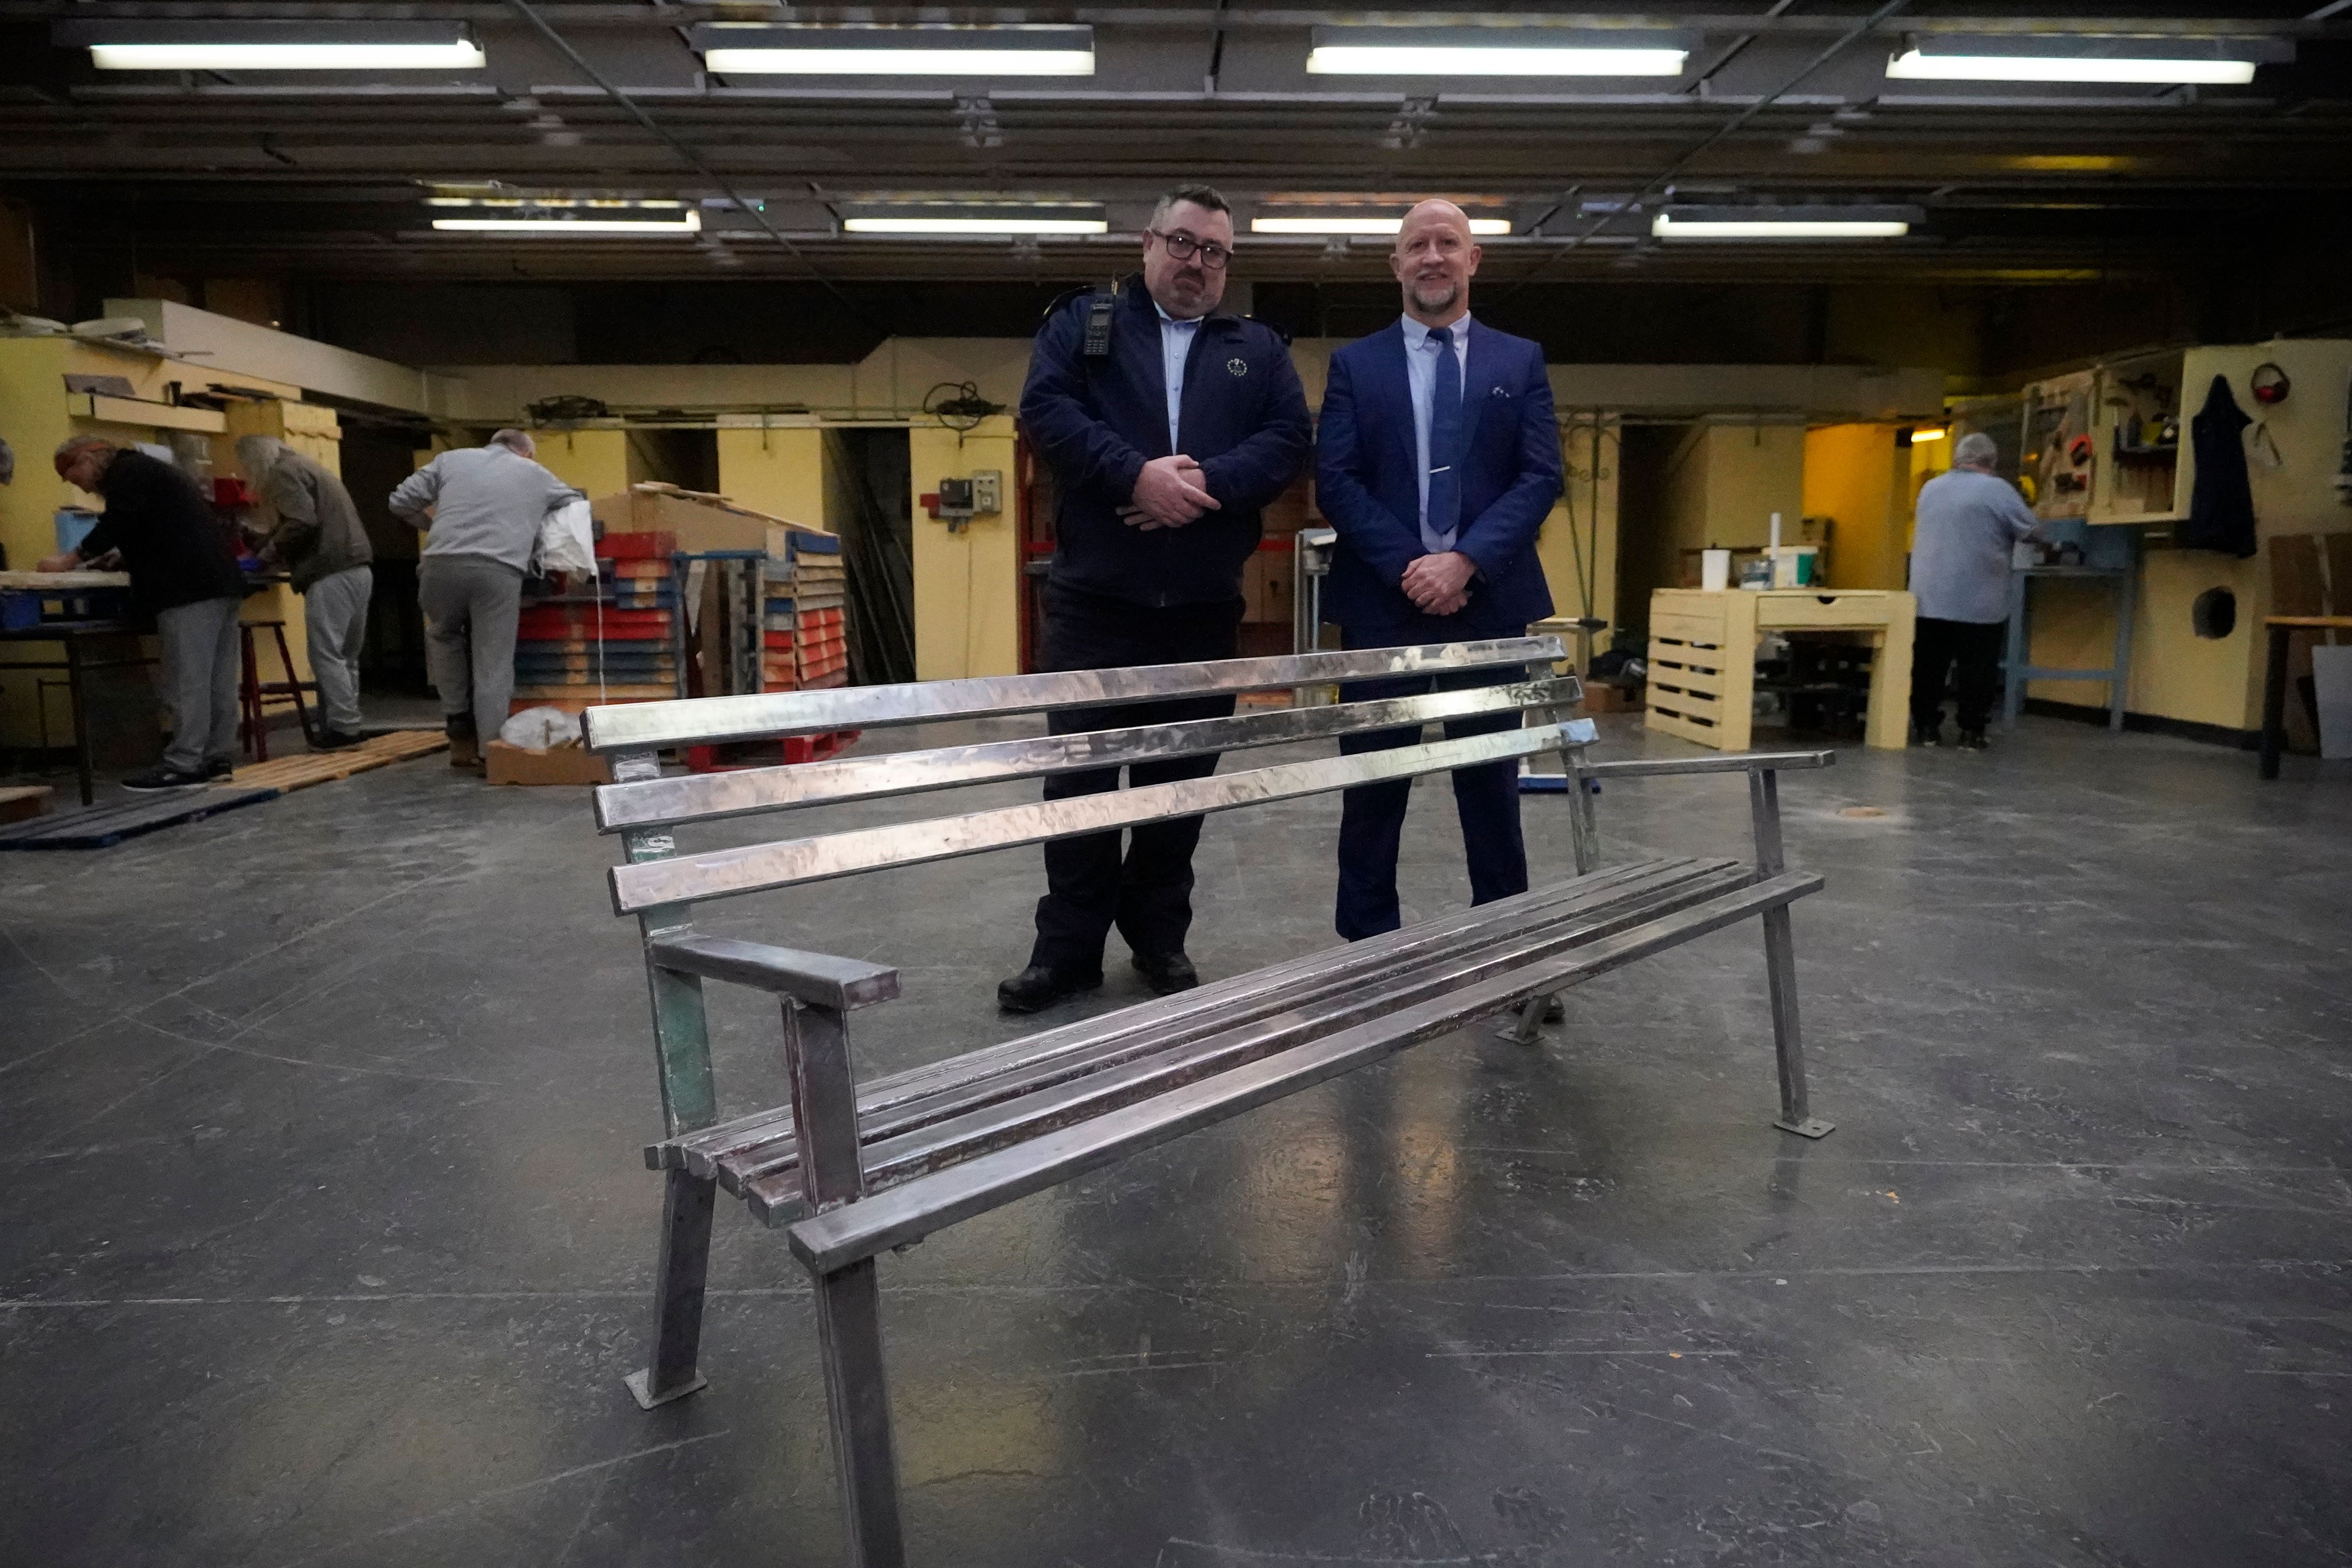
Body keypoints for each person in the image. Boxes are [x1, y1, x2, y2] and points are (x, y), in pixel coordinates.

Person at [1002, 182, 1311, 1012]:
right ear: (1147, 244)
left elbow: (1286, 441)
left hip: (1203, 611)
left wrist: (1201, 484)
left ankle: (1159, 939)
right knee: (1080, 787)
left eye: (1214, 253)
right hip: (1095, 607)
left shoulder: (1258, 349)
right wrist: (1132, 474)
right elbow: (1046, 409)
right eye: (1183, 243)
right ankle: (1064, 952)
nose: (1196, 264)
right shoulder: (1084, 328)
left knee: (1180, 790)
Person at [1315, 198, 1563, 942]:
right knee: (1371, 789)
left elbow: (1539, 476)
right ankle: (1366, 955)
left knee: (1492, 791)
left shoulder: (1517, 361)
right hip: (1381, 609)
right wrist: (1412, 570)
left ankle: (1506, 945)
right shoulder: (1355, 366)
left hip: (1488, 607)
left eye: (1447, 243)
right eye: (1416, 244)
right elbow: (1337, 480)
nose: (1432, 256)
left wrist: (1465, 563)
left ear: (1472, 260)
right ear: (1395, 264)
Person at [37, 435, 247, 791]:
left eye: (76, 478)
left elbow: (119, 519)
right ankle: (215, 759)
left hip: (186, 588)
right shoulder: (149, 471)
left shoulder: (125, 472)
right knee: (217, 679)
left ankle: (184, 764)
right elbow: (156, 526)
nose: (82, 488)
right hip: (219, 582)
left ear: (88, 458)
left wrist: (71, 558)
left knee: (188, 680)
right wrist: (123, 556)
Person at [388, 429, 578, 771]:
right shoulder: (535, 473)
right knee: (493, 661)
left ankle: (459, 731)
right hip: (498, 570)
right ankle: (493, 754)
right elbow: (576, 505)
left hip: (439, 565)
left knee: (444, 638)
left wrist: (433, 526)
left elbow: (400, 501)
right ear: (526, 454)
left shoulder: (451, 459)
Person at [237, 436, 374, 751]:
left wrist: (264, 556)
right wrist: (264, 542)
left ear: (256, 459)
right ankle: (348, 723)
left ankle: (344, 729)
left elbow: (302, 520)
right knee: (347, 656)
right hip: (358, 566)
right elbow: (304, 517)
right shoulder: (310, 467)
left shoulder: (281, 473)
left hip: (329, 571)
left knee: (326, 653)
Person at [1908, 431, 2041, 751]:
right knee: (1977, 668)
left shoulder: (1930, 488)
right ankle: (1971, 731)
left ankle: (1926, 727)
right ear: (1990, 463)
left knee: (1929, 666)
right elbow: (2032, 530)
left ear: (1957, 459)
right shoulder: (1997, 490)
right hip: (1978, 599)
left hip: (1928, 597)